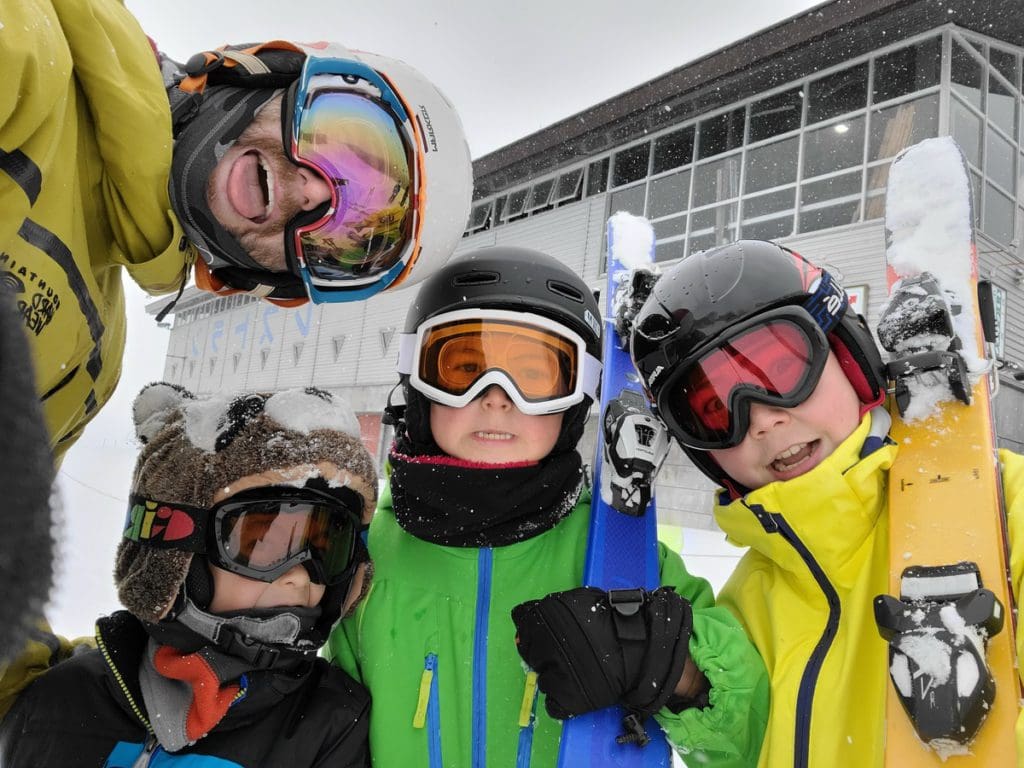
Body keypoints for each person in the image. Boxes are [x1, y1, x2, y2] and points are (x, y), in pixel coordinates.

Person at [326, 245, 770, 767]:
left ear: (575, 401)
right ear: (418, 385)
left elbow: (743, 747)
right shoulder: (367, 560)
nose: (497, 396)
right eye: (464, 367)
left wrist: (678, 674)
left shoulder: (624, 562)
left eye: (534, 375)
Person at [1, 0, 472, 463]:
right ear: (266, 72)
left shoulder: (86, 367)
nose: (317, 194)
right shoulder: (32, 51)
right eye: (336, 141)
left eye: (350, 238)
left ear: (277, 281)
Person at [628, 239, 1024, 766]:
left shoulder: (1002, 505)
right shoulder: (744, 606)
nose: (762, 418)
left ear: (849, 358)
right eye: (715, 408)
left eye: (780, 369)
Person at [0, 382, 379, 766]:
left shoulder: (329, 724)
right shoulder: (60, 701)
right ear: (178, 557)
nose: (300, 576)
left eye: (326, 549)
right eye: (264, 543)